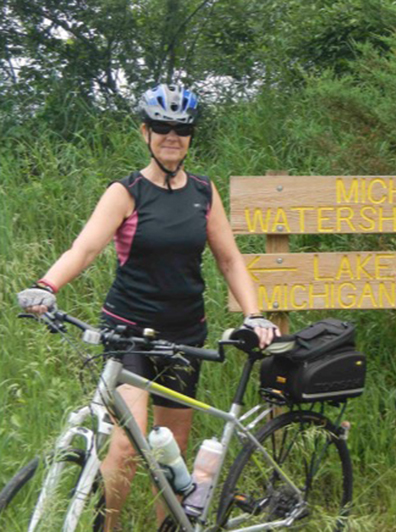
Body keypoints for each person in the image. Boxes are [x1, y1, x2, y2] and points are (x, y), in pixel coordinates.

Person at [16, 84, 279, 530]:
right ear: (146, 132)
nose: (172, 136)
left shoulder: (203, 191)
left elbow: (230, 259)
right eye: (162, 127)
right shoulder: (127, 191)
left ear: (191, 136)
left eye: (182, 129)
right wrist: (46, 285)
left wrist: (253, 314)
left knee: (170, 446)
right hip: (128, 332)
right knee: (125, 445)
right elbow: (85, 248)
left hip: (184, 333)